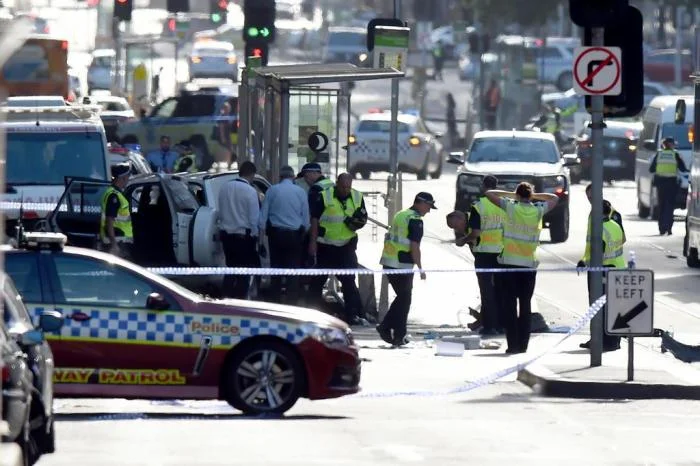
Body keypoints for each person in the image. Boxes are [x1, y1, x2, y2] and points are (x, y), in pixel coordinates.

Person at [485, 182, 559, 354]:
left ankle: (513, 345)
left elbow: (489, 193)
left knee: (509, 306)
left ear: (517, 195)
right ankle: (524, 345)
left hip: (509, 264)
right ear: (530, 195)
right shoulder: (538, 210)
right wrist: (533, 196)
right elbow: (554, 197)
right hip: (528, 265)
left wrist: (512, 195)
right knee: (525, 305)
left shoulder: (511, 208)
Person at [308, 173, 367, 324]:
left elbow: (362, 218)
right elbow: (314, 219)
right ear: (337, 184)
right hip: (325, 247)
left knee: (349, 283)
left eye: (348, 187)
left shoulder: (357, 197)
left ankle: (351, 316)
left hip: (346, 247)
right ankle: (312, 314)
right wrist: (312, 243)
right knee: (317, 282)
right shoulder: (324, 196)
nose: (346, 190)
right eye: (343, 187)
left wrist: (357, 222)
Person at [377, 193, 435, 346]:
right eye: (428, 206)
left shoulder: (401, 214)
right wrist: (421, 268)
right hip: (401, 264)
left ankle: (397, 333)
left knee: (403, 298)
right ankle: (388, 329)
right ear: (420, 203)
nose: (428, 211)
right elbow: (414, 246)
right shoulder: (415, 220)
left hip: (389, 261)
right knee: (404, 299)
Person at [457, 175, 505, 335]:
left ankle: (489, 326)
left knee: (487, 292)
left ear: (483, 187)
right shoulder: (505, 204)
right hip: (502, 252)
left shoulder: (478, 206)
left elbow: (476, 232)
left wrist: (463, 240)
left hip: (484, 253)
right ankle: (502, 324)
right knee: (501, 290)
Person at [577, 200, 625, 352]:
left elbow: (598, 254)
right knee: (613, 307)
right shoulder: (615, 224)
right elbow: (623, 240)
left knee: (598, 307)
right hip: (617, 268)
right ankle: (613, 341)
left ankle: (601, 341)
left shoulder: (600, 229)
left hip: (602, 271)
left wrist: (584, 263)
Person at [259, 165, 310, 304]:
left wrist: (260, 241)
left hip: (276, 236)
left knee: (275, 270)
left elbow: (263, 217)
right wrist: (303, 236)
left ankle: (275, 303)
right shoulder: (300, 192)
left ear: (280, 177)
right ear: (293, 177)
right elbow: (306, 219)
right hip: (294, 236)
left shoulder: (272, 190)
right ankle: (291, 303)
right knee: (293, 272)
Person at [218, 161, 261, 299]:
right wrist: (256, 237)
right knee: (243, 273)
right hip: (243, 238)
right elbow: (254, 218)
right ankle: (240, 302)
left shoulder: (224, 187)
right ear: (252, 174)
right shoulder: (250, 191)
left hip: (226, 236)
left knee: (230, 269)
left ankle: (225, 298)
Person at [649, 137, 689, 235]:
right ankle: (669, 228)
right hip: (671, 183)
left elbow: (651, 169)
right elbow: (683, 169)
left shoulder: (659, 154)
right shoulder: (675, 154)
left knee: (661, 206)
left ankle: (661, 228)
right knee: (670, 206)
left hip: (660, 184)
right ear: (671, 145)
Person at [100, 163, 133, 259]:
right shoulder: (114, 196)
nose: (128, 180)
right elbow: (109, 220)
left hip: (119, 240)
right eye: (127, 177)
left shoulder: (112, 192)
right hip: (118, 241)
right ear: (121, 178)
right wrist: (114, 245)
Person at [215, 101, 234, 167]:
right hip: (224, 136)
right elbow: (221, 127)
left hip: (227, 135)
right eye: (227, 108)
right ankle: (226, 163)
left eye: (229, 108)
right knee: (228, 149)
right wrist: (223, 137)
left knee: (229, 149)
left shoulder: (227, 116)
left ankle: (228, 163)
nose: (229, 109)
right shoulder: (222, 116)